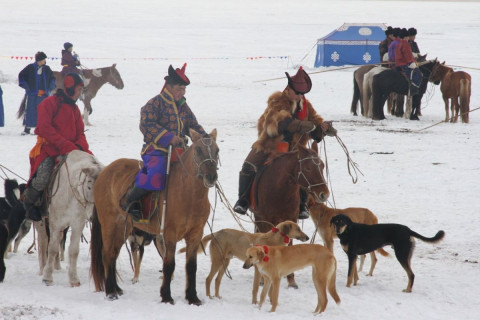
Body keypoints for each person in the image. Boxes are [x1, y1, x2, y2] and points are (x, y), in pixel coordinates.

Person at [233, 67, 336, 219]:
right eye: (297, 93)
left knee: (305, 169)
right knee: (249, 165)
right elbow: (277, 124)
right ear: (288, 89)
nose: (299, 96)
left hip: (295, 148)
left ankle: (301, 205)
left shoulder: (306, 106)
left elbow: (314, 123)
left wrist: (323, 128)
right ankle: (243, 200)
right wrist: (301, 125)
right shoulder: (278, 101)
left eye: (302, 94)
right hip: (271, 144)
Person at [122, 63, 207, 221]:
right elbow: (147, 125)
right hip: (157, 149)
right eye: (179, 89)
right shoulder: (154, 104)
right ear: (169, 87)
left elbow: (192, 125)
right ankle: (131, 200)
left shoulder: (183, 106)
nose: (182, 93)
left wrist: (205, 138)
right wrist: (169, 137)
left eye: (184, 90)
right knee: (156, 174)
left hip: (181, 150)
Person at [22, 73, 92, 221]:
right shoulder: (48, 104)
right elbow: (45, 129)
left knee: (94, 170)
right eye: (79, 89)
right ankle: (27, 206)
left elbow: (81, 132)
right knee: (42, 177)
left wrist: (79, 148)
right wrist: (66, 146)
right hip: (51, 149)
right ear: (70, 88)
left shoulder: (75, 109)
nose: (80, 94)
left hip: (74, 150)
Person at [18, 51, 56, 135]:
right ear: (39, 60)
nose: (45, 61)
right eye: (43, 59)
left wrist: (50, 88)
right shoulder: (30, 68)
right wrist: (27, 87)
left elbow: (52, 79)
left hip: (43, 95)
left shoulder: (47, 69)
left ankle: (40, 128)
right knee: (30, 110)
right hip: (32, 94)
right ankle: (27, 128)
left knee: (42, 112)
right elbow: (21, 76)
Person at [394, 28, 422, 100]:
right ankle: (413, 89)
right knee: (418, 73)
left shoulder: (398, 43)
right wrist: (413, 63)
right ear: (406, 36)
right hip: (404, 64)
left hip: (398, 64)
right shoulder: (405, 44)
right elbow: (408, 56)